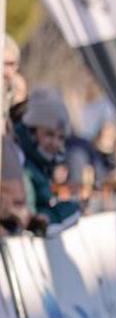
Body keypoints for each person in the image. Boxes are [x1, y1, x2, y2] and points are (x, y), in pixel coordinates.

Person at [18, 88, 79, 226]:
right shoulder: (23, 166)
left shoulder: (42, 166)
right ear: (32, 132)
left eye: (61, 137)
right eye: (49, 134)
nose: (55, 143)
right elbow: (32, 217)